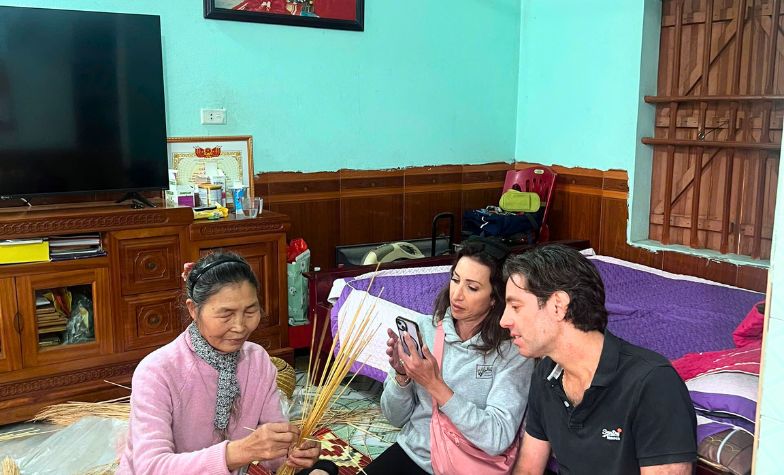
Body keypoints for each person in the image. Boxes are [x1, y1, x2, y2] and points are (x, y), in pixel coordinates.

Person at [117, 252, 337, 475]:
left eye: (250, 311)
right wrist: (240, 452)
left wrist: (292, 453)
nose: (240, 327)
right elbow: (151, 468)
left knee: (324, 469)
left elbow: (276, 455)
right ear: (194, 310)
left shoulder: (258, 360)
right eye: (226, 314)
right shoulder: (156, 372)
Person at [500, 245, 697, 475]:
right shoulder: (546, 374)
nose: (504, 320)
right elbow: (528, 470)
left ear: (558, 305)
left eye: (515, 306)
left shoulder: (653, 384)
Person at [366, 237, 535, 475]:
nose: (457, 294)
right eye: (455, 280)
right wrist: (402, 377)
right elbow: (394, 418)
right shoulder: (425, 329)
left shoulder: (513, 352)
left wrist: (434, 384)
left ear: (495, 297)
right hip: (413, 452)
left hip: (467, 466)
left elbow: (497, 437)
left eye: (472, 287)